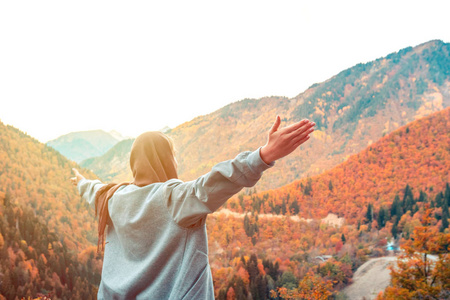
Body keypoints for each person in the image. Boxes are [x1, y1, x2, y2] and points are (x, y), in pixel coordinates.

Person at [71, 116, 315, 299]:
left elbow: (94, 190)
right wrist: (264, 155)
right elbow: (217, 181)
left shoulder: (113, 197)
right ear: (165, 159)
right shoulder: (175, 199)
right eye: (173, 155)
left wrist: (81, 182)